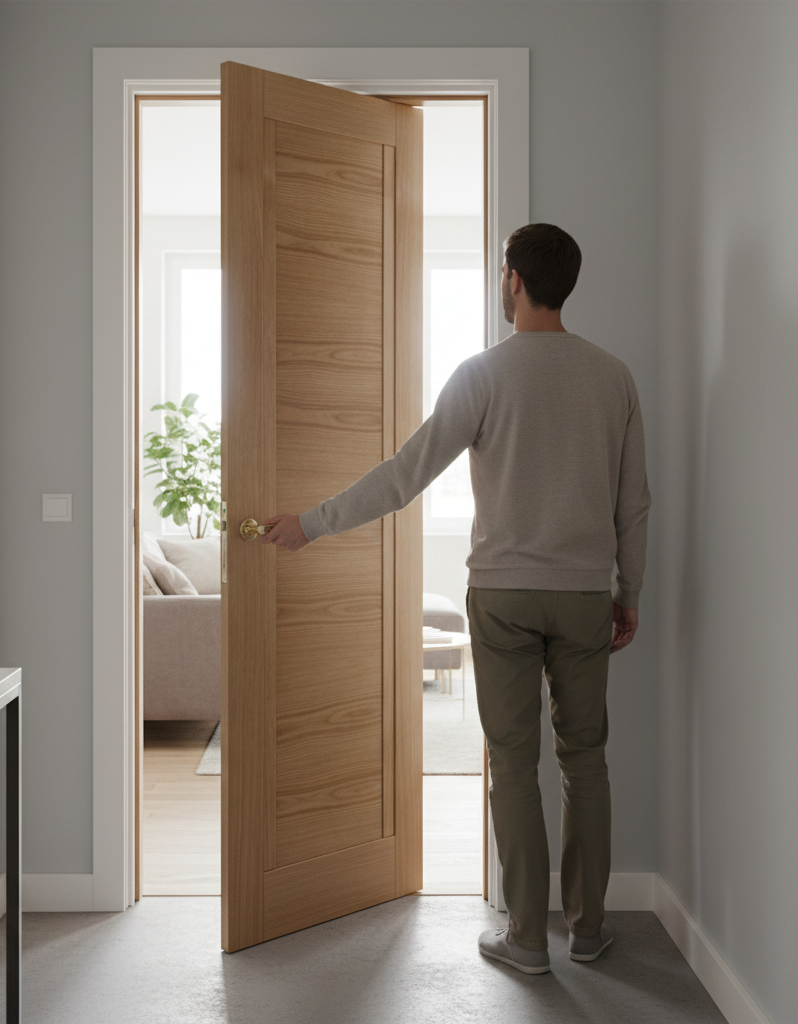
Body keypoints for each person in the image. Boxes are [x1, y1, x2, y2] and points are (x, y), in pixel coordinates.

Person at [261, 223, 650, 976]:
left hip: (502, 597)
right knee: (585, 762)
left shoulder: (483, 374)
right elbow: (633, 503)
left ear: (513, 280)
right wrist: (627, 590)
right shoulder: (614, 377)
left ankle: (528, 941)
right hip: (583, 595)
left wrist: (312, 523)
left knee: (513, 764)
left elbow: (405, 474)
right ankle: (590, 931)